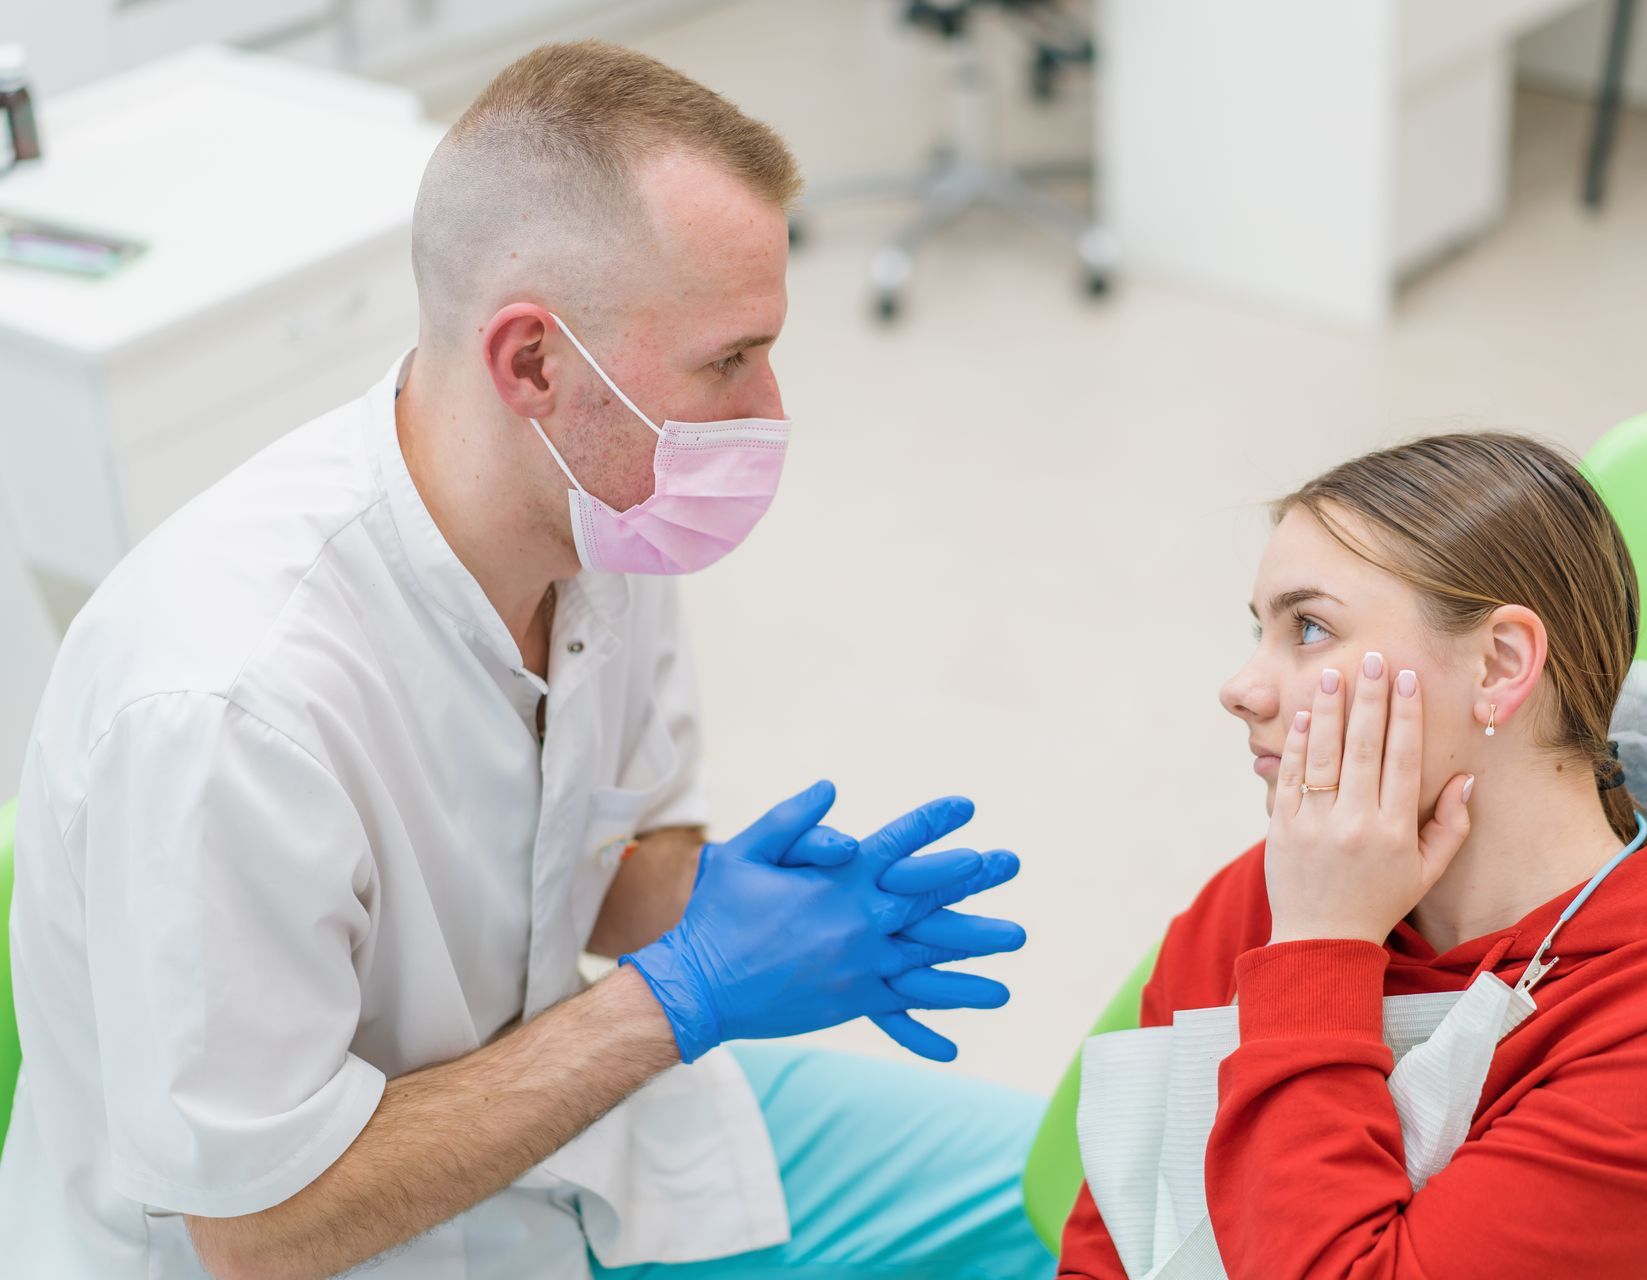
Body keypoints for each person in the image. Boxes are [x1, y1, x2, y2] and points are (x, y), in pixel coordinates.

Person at [0, 41, 1053, 1280]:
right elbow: (258, 1224)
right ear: (535, 363)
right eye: (728, 359)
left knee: (1082, 1189)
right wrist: (679, 994)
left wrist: (738, 907)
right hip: (340, 1239)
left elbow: (602, 860)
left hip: (573, 1140)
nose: (771, 407)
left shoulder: (602, 516)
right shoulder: (230, 703)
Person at [1057, 432, 1647, 1279]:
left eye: (1309, 627)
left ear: (1498, 667)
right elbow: (1122, 1234)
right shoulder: (1274, 892)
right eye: (1259, 631)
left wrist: (1321, 953)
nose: (1241, 688)